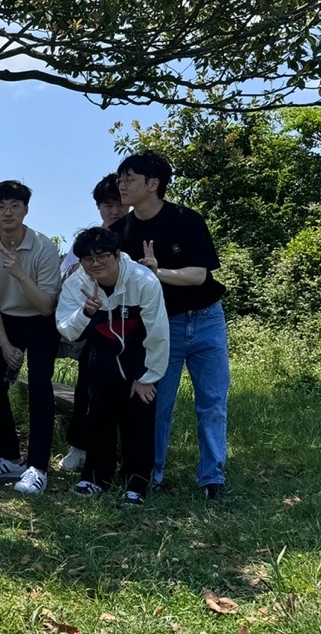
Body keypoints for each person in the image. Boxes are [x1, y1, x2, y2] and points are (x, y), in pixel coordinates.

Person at [112, 151, 227, 499]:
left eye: (129, 179)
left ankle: (212, 478)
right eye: (120, 179)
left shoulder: (186, 220)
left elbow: (198, 275)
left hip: (207, 319)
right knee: (158, 404)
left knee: (212, 402)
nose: (122, 186)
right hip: (162, 326)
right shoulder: (120, 232)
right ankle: (150, 474)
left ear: (153, 183)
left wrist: (156, 272)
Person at [56, 226, 169, 504]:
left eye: (102, 256)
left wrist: (147, 376)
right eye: (87, 259)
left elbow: (158, 333)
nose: (95, 264)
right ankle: (95, 478)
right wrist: (86, 312)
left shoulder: (143, 280)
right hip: (102, 358)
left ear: (117, 255)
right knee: (97, 417)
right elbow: (66, 329)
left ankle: (137, 483)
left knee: (139, 420)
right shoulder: (76, 284)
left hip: (139, 357)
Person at [0, 180, 62, 496]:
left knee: (39, 386)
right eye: (1, 206)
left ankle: (37, 468)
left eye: (14, 205)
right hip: (4, 320)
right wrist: (5, 344)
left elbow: (47, 305)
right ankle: (10, 457)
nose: (8, 212)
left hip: (40, 321)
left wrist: (20, 274)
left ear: (25, 209)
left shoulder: (43, 247)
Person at [58, 173, 129, 474]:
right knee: (86, 388)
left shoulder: (134, 234)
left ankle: (129, 455)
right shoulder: (86, 241)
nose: (115, 210)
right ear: (99, 207)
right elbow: (66, 276)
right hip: (93, 324)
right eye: (108, 205)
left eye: (120, 204)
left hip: (130, 325)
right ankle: (80, 446)